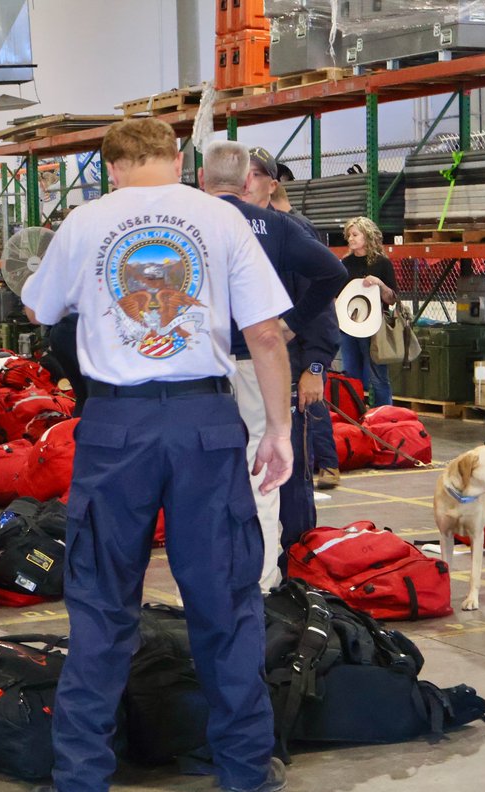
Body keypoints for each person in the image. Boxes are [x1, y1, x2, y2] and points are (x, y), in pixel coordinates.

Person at [21, 118, 293, 792]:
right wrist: (279, 429)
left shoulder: (84, 223)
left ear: (109, 165)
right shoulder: (222, 218)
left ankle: (81, 783)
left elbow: (39, 309)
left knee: (102, 607)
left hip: (115, 425)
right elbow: (264, 333)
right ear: (180, 157)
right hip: (204, 423)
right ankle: (241, 775)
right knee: (225, 603)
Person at [204, 142, 346, 590]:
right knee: (264, 475)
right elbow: (333, 274)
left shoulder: (182, 220)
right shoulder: (277, 227)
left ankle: (209, 588)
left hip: (194, 370)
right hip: (255, 364)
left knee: (201, 478)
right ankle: (263, 585)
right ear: (248, 181)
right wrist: (291, 325)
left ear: (202, 182)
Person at [270, 175, 341, 490]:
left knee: (310, 409)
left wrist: (316, 366)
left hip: (300, 358)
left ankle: (327, 464)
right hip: (285, 358)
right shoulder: (278, 229)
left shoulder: (293, 231)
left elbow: (320, 305)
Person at [340, 216, 397, 407]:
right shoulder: (345, 264)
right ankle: (355, 414)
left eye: (355, 234)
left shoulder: (382, 263)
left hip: (374, 328)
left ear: (367, 235)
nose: (350, 239)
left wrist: (379, 283)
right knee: (351, 374)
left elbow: (391, 298)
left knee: (378, 377)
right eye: (349, 235)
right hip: (348, 327)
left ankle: (384, 417)